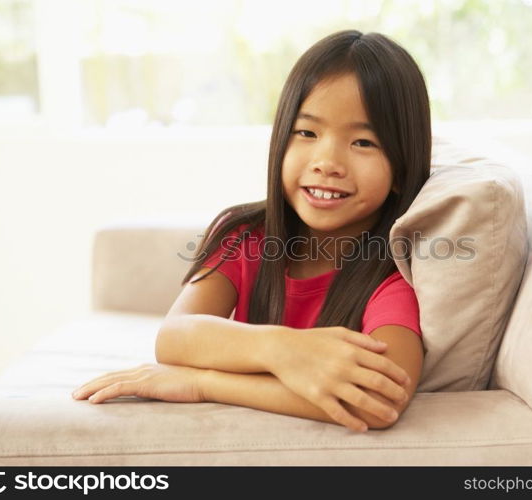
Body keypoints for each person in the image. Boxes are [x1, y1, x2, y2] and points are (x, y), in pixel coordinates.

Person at [72, 30, 432, 433]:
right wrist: (283, 350)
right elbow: (174, 336)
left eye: (363, 142)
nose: (327, 161)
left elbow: (379, 400)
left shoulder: (392, 277)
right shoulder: (246, 235)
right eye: (307, 133)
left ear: (401, 169)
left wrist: (203, 382)